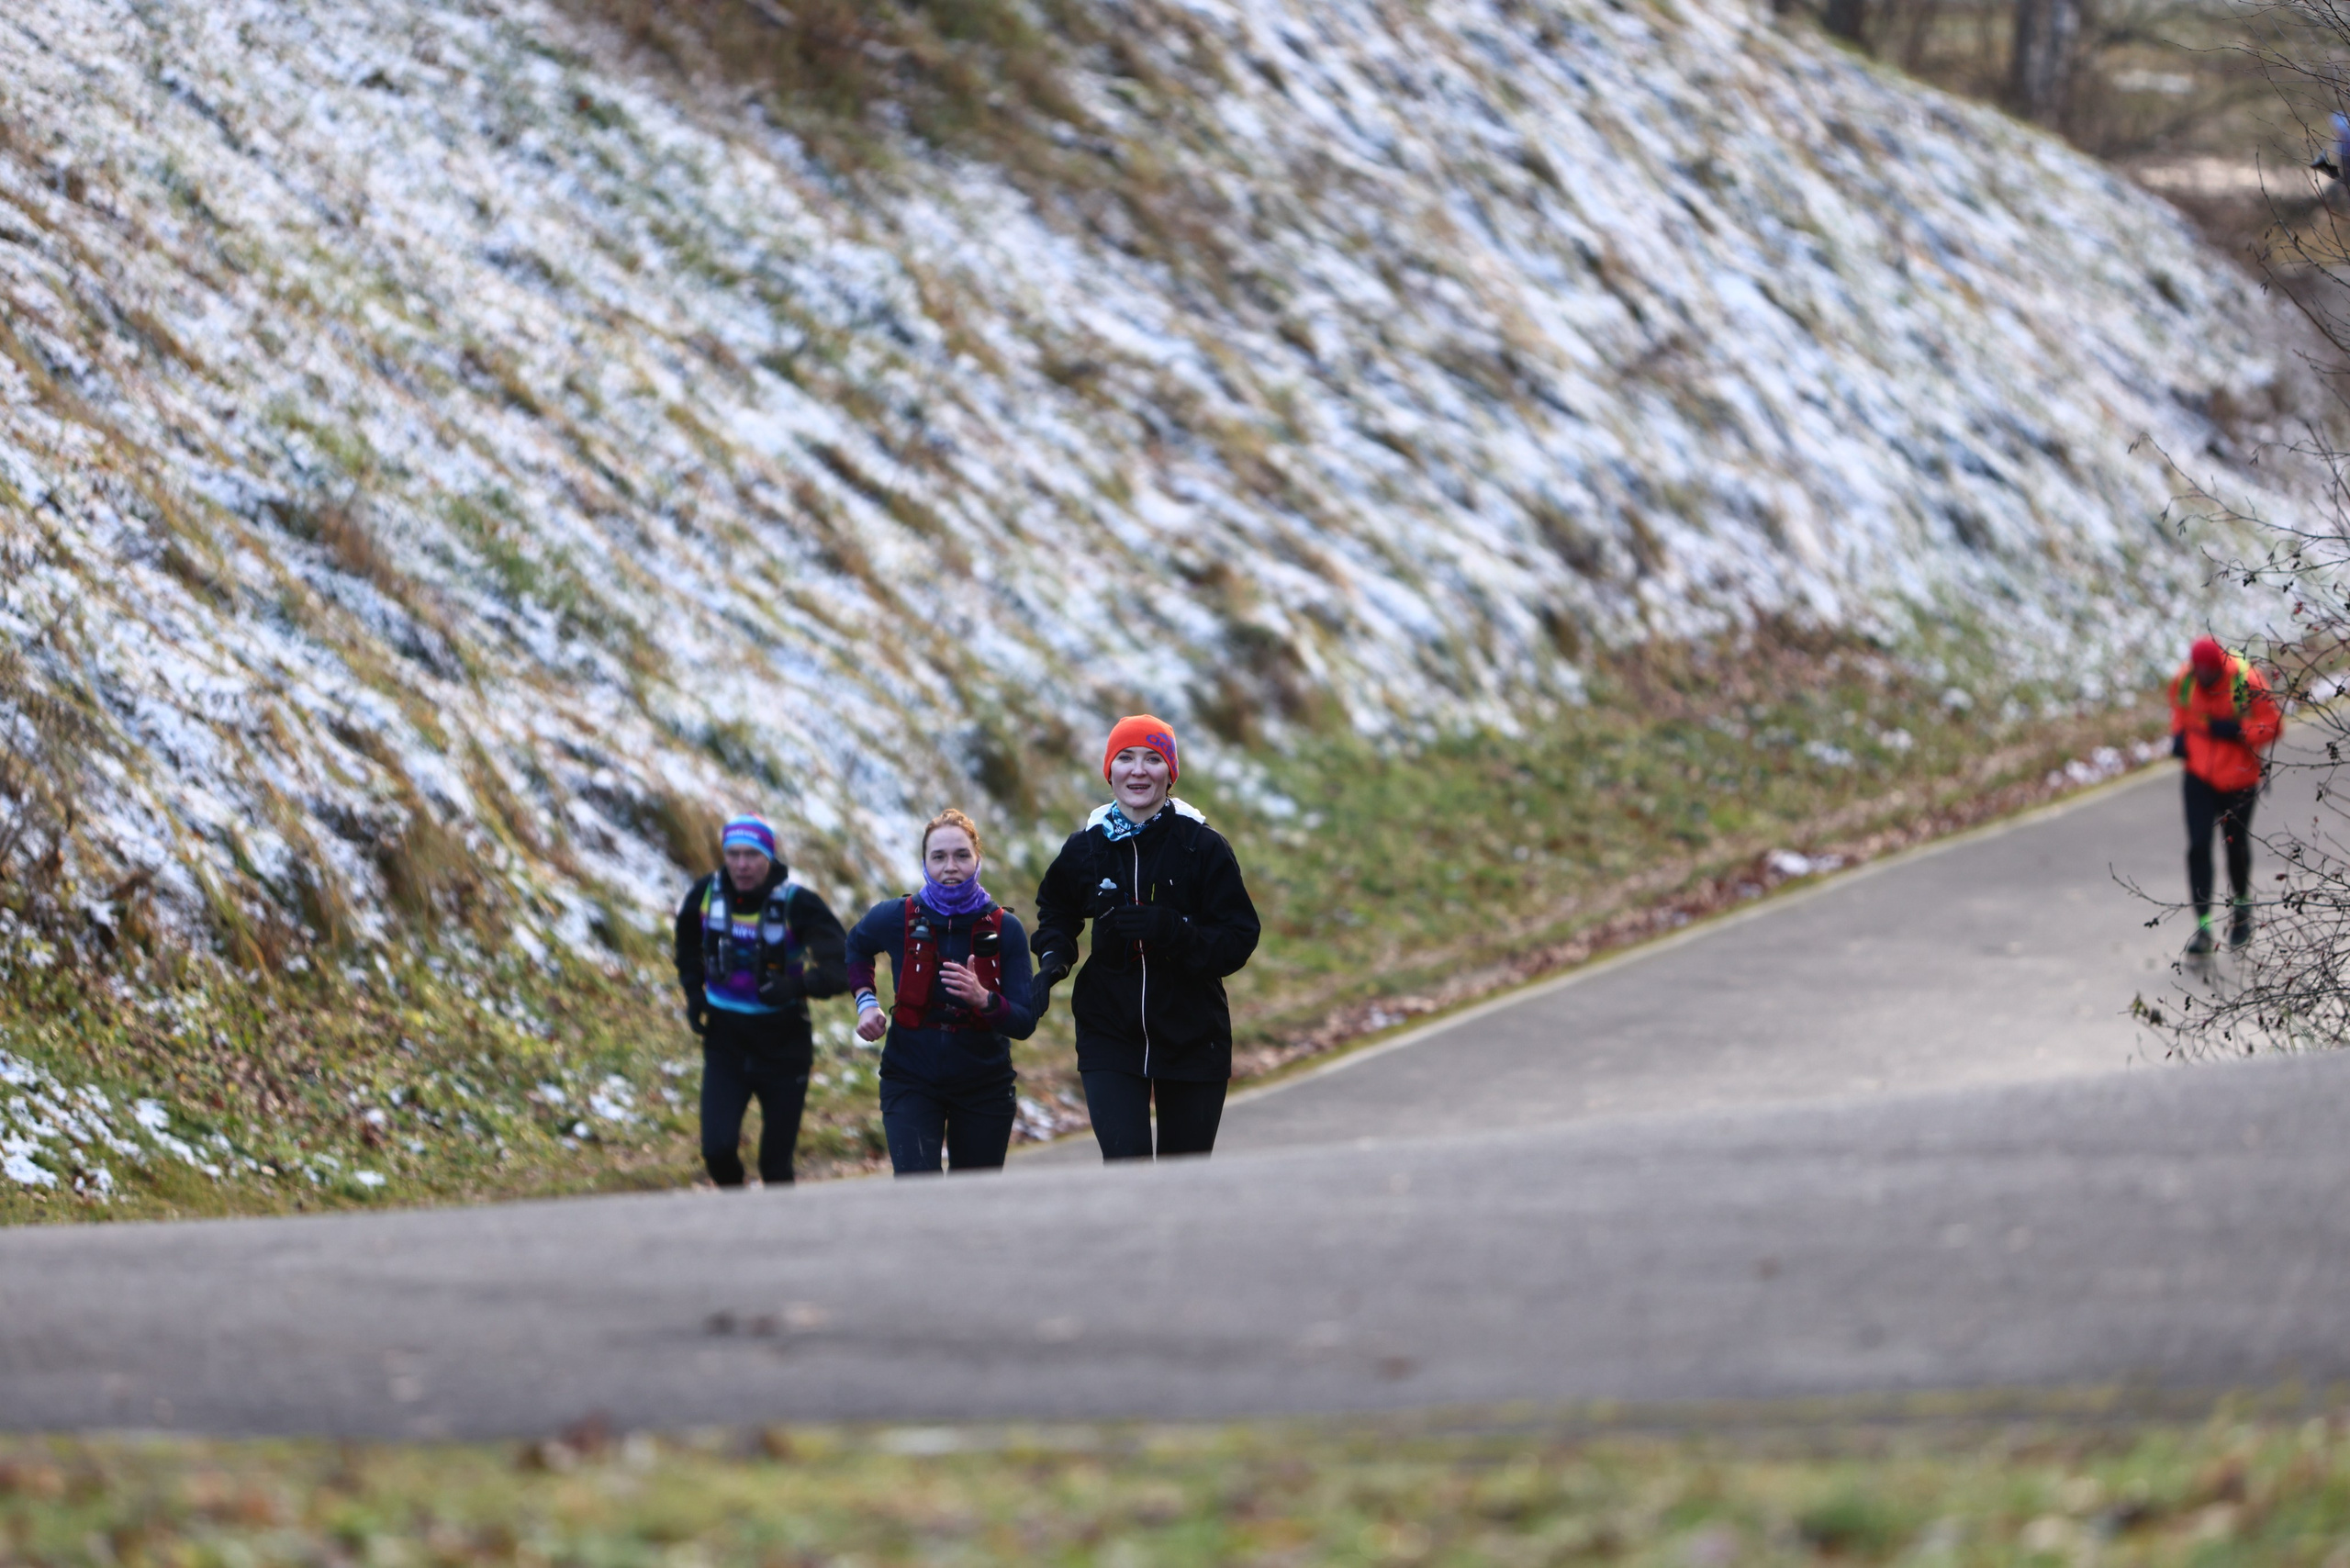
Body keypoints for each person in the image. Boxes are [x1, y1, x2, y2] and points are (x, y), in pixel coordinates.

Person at [1033, 716, 1261, 1161]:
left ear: (1169, 773)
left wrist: (1175, 932)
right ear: (1110, 770)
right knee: (1127, 1167)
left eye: (1153, 759)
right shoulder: (1087, 848)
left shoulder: (1202, 846)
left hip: (1193, 1032)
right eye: (1126, 758)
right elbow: (1056, 911)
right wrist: (1052, 961)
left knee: (1183, 1177)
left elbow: (1239, 936)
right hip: (1109, 1029)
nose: (1138, 770)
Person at [846, 809, 1040, 1175]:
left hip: (985, 1084)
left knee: (972, 1203)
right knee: (919, 1193)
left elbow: (1025, 1020)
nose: (950, 866)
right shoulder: (896, 916)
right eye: (939, 857)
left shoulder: (1005, 928)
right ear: (924, 863)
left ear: (977, 859)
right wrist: (866, 1001)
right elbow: (856, 945)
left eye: (961, 855)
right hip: (910, 1077)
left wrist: (985, 1001)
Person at [672, 815, 848, 1186]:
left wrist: (797, 986)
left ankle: (779, 1239)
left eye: (752, 854)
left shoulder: (799, 903)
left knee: (775, 1167)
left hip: (784, 1045)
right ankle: (741, 1223)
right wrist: (693, 992)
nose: (741, 864)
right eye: (732, 854)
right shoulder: (704, 893)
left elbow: (844, 965)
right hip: (725, 1043)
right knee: (717, 1152)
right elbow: (686, 942)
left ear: (770, 856)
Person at [2169, 636, 2281, 955]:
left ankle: (2242, 909)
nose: (2204, 677)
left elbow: (2273, 723)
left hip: (2238, 778)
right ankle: (2203, 925)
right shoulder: (2185, 679)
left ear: (2219, 668)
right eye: (2199, 671)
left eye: (2209, 673)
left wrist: (2239, 731)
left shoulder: (2248, 680)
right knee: (2198, 848)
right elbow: (2180, 711)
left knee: (2235, 847)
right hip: (2199, 776)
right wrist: (2179, 736)